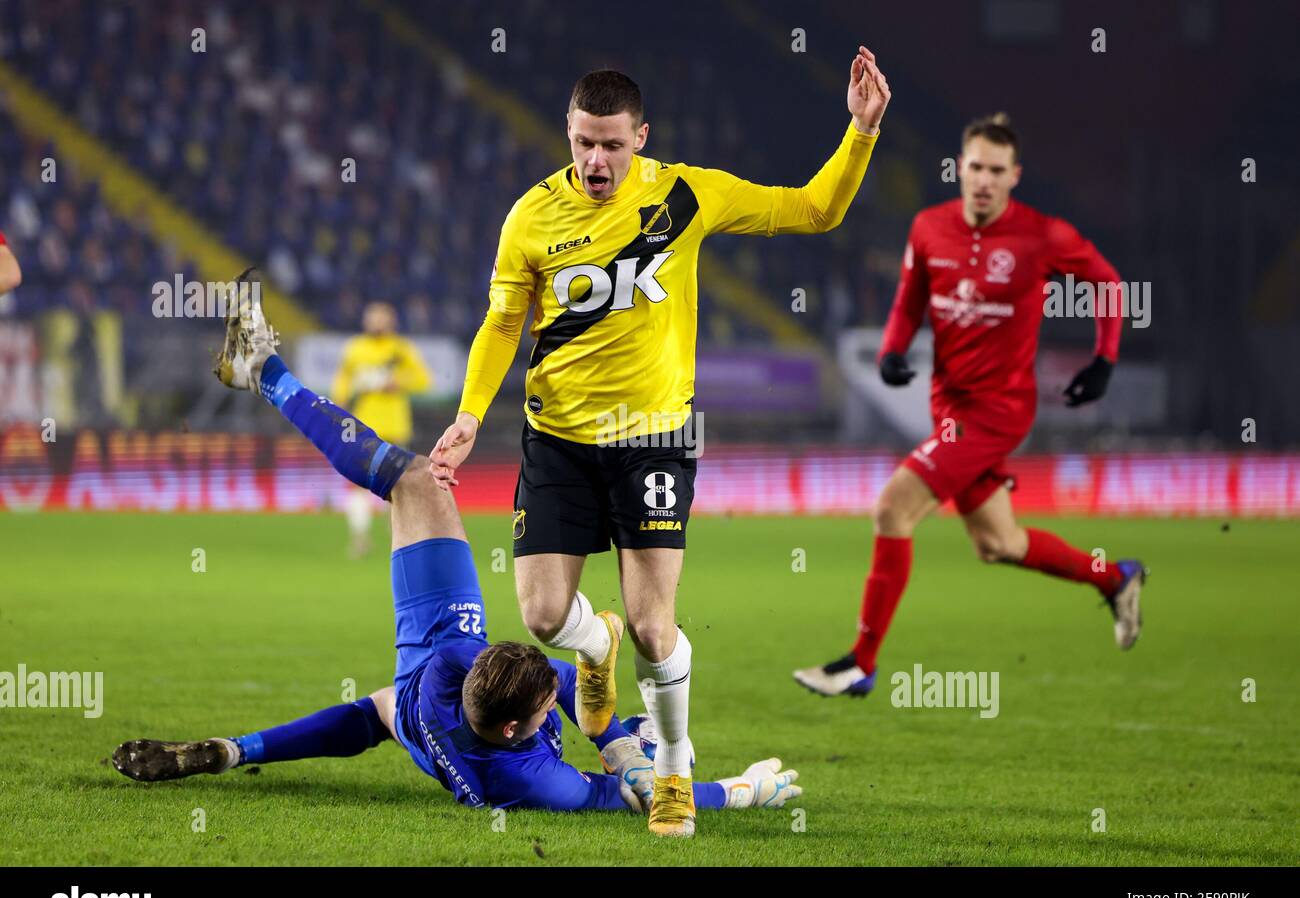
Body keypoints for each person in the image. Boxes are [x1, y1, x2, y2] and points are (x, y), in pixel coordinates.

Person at [113, 276, 802, 817]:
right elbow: (628, 787)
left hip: (425, 697)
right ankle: (237, 750)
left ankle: (263, 372)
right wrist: (719, 784)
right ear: (514, 727)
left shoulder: (463, 681)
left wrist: (650, 758)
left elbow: (567, 703)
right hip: (422, 718)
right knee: (376, 710)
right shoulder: (523, 767)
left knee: (414, 490)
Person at [429, 50, 891, 836]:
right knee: (542, 618)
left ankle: (673, 771)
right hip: (558, 440)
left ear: (640, 137)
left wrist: (861, 130)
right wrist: (473, 412)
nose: (597, 160)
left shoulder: (685, 194)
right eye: (583, 142)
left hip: (653, 440)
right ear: (567, 135)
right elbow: (504, 321)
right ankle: (592, 642)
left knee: (654, 626)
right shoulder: (531, 217)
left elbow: (815, 209)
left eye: (612, 143)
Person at [794, 113, 1148, 699]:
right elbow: (909, 301)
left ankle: (861, 662)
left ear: (1015, 176)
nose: (984, 180)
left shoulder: (1041, 235)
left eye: (996, 171)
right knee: (998, 544)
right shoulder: (930, 228)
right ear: (961, 168)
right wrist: (890, 353)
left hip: (998, 411)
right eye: (975, 167)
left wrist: (1104, 359)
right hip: (948, 408)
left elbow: (1108, 283)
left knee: (892, 509)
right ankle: (1116, 578)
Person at [330, 301, 432, 558]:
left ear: (391, 321)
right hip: (363, 427)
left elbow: (423, 380)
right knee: (357, 484)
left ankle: (398, 538)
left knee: (398, 486)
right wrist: (340, 403)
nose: (375, 322)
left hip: (395, 427)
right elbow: (342, 381)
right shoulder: (356, 349)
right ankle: (360, 539)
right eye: (371, 317)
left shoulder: (401, 349)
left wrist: (396, 382)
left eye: (380, 318)